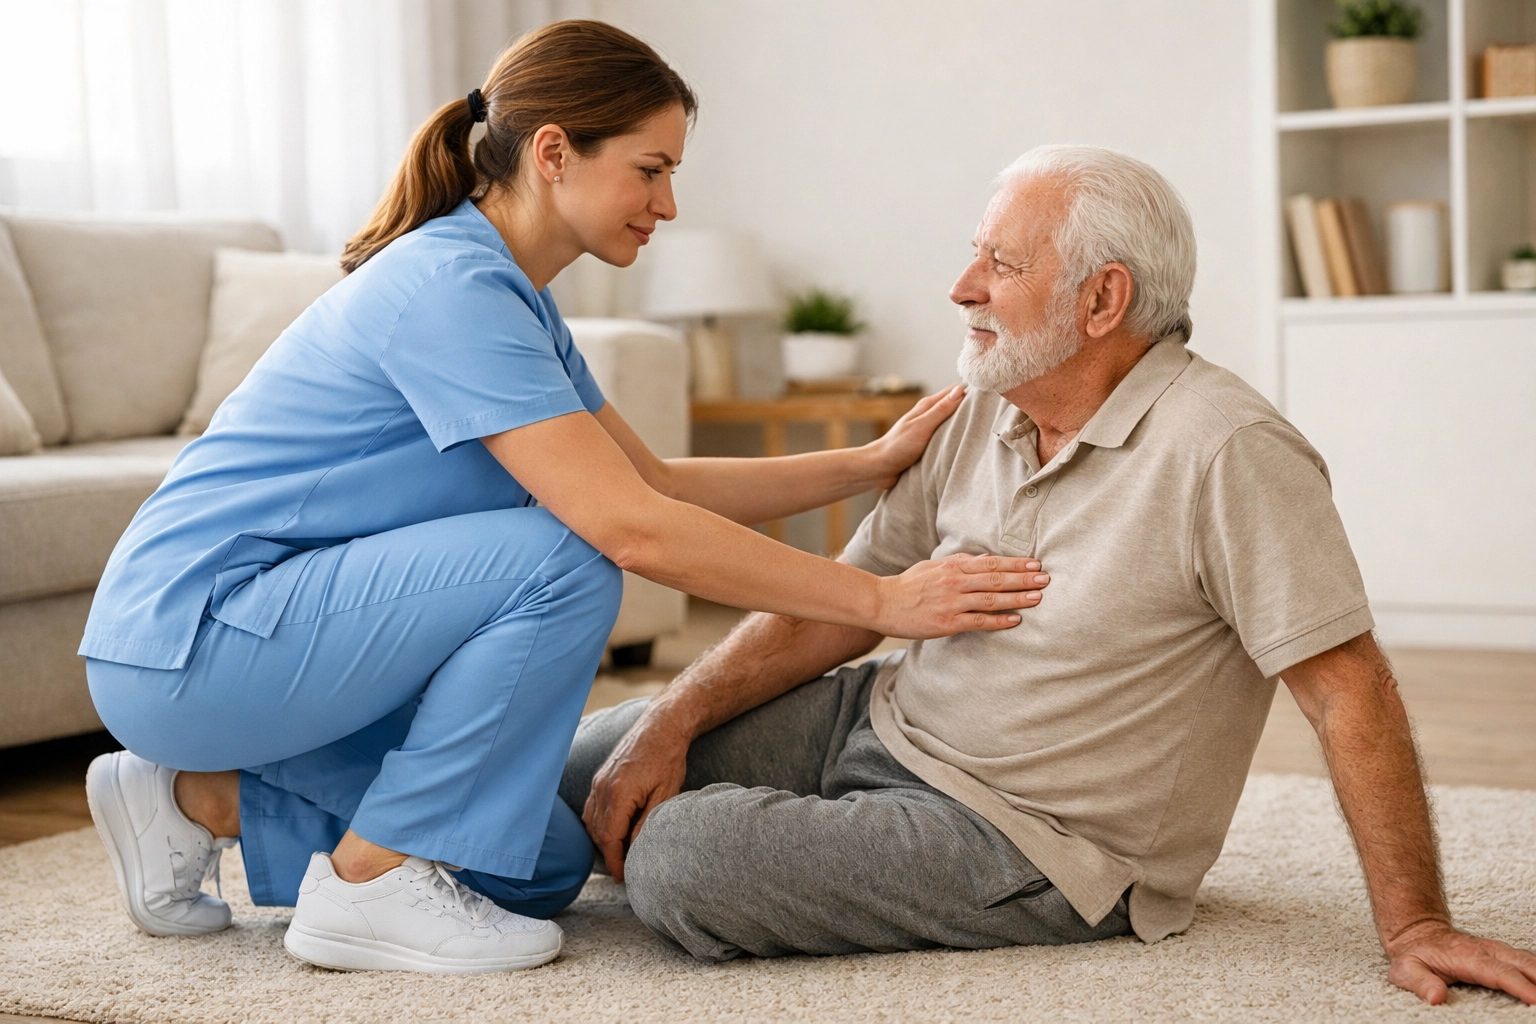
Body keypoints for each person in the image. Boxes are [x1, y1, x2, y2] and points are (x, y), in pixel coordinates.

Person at [79, 20, 1047, 976]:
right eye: (650, 168)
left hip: (272, 647)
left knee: (533, 866)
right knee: (570, 547)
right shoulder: (448, 286)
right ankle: (367, 888)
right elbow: (626, 525)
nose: (667, 204)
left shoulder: (515, 296)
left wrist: (867, 463)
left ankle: (193, 797)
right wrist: (881, 602)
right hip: (192, 640)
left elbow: (653, 483)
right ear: (553, 153)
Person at [562, 145, 1536, 1007]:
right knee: (594, 755)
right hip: (887, 723)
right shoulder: (989, 400)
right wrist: (674, 719)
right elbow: (843, 606)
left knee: (685, 859)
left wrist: (1418, 923)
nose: (960, 286)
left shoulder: (1229, 452)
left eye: (1001, 263)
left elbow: (1348, 692)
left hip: (1036, 837)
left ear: (1102, 299)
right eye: (974, 252)